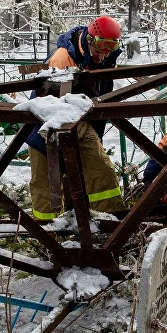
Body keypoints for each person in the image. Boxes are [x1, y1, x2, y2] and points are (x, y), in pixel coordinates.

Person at [26, 16, 126, 220]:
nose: (103, 54)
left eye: (110, 48)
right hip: (45, 126)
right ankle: (47, 234)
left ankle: (109, 223)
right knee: (46, 186)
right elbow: (49, 104)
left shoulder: (108, 58)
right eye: (100, 48)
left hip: (81, 124)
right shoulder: (62, 58)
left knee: (101, 171)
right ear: (90, 39)